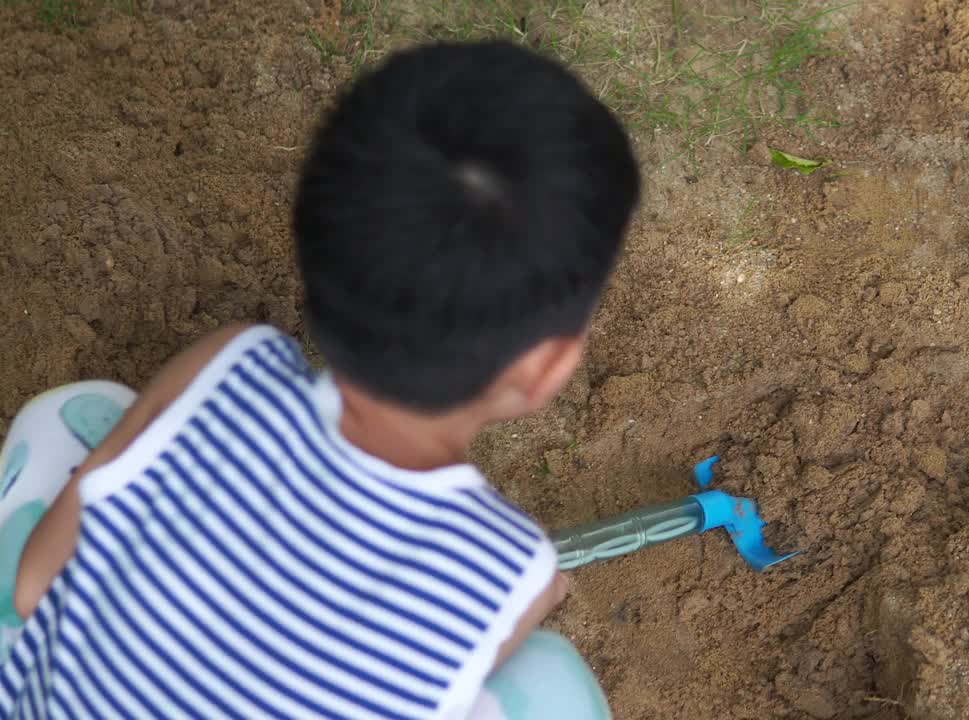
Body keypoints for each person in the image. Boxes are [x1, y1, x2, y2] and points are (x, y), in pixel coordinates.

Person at [0, 40, 639, 720]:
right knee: (550, 679)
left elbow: (34, 585)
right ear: (545, 370)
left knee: (76, 412)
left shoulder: (224, 367)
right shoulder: (506, 570)